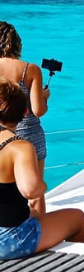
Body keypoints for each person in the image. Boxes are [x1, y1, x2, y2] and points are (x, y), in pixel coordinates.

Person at [0, 78, 84, 260]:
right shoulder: (18, 147)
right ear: (25, 112)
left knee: (32, 214)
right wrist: (41, 185)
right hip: (8, 239)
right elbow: (31, 190)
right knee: (78, 219)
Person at [0, 21, 49, 215]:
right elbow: (37, 110)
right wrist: (44, 98)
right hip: (28, 133)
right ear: (16, 43)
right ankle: (41, 233)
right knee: (35, 194)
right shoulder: (30, 69)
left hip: (2, 135)